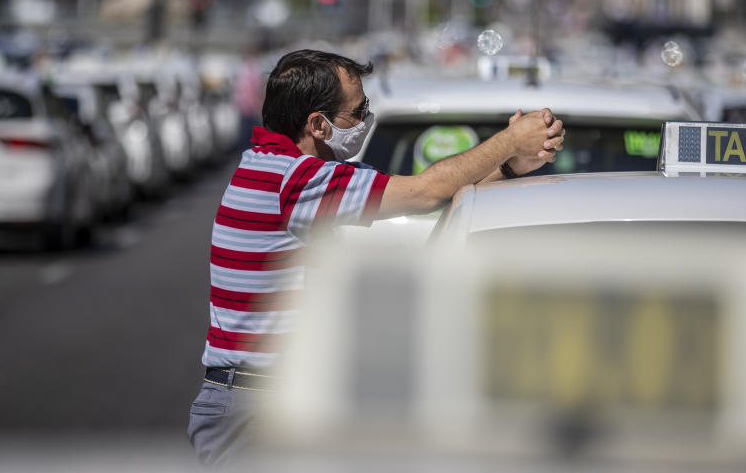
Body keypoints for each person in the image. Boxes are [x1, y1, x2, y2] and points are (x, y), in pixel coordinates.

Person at [188, 49, 565, 466]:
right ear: (317, 124)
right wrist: (509, 141)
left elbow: (423, 195)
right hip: (258, 408)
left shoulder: (280, 169)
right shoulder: (297, 182)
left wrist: (511, 165)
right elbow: (426, 191)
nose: (366, 118)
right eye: (358, 110)